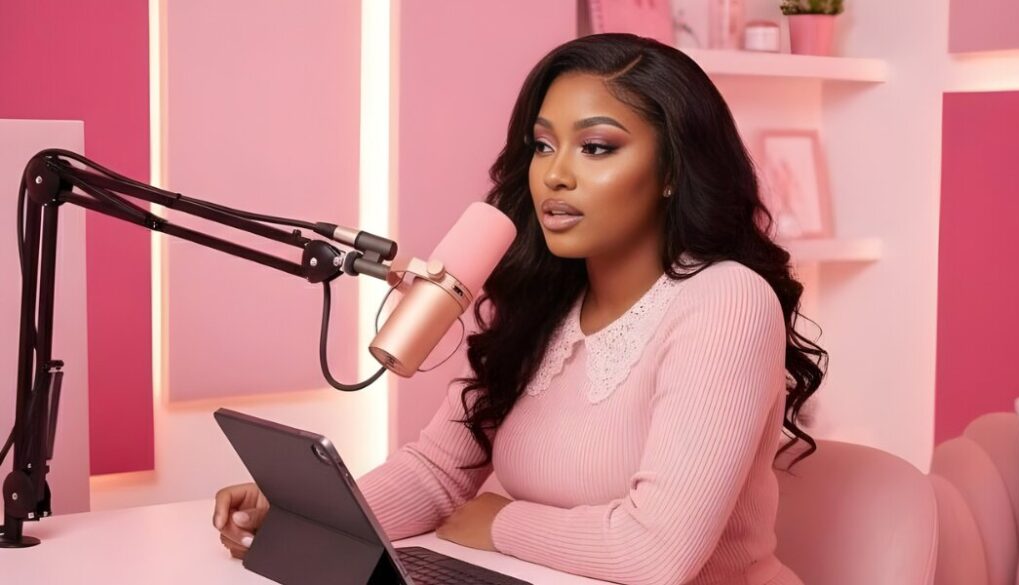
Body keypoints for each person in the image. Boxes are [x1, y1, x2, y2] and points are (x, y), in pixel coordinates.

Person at [213, 33, 826, 585]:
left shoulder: (725, 300)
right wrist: (305, 513)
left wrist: (502, 523)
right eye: (542, 145)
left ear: (671, 171)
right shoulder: (543, 303)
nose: (554, 175)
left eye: (596, 147)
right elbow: (438, 474)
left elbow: (655, 554)